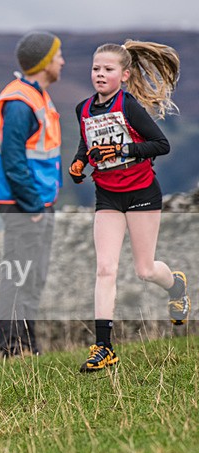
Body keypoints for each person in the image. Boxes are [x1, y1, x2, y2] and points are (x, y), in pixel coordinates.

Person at [68, 41, 189, 373]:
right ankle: (103, 348)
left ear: (124, 74)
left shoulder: (129, 106)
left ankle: (175, 285)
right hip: (107, 195)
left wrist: (123, 151)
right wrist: (79, 164)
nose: (100, 75)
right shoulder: (83, 108)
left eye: (108, 69)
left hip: (141, 193)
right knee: (105, 269)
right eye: (96, 69)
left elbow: (160, 144)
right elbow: (87, 143)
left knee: (145, 270)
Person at [0, 31, 65, 357]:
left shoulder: (36, 95)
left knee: (32, 277)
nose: (63, 61)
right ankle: (13, 349)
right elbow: (13, 159)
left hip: (37, 201)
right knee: (20, 277)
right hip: (25, 204)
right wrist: (34, 205)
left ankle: (27, 346)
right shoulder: (21, 102)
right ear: (45, 62)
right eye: (58, 55)